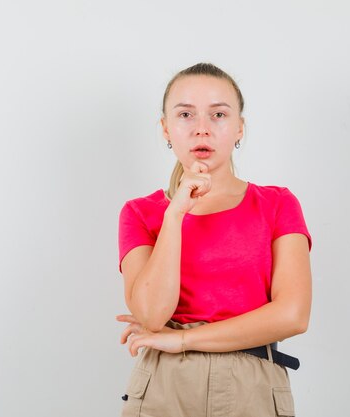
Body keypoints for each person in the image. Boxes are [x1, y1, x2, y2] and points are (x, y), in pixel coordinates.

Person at [115, 62, 312, 417]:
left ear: (239, 128)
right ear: (165, 129)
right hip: (165, 384)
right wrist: (175, 214)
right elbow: (152, 314)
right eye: (186, 114)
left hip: (251, 383)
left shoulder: (278, 204)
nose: (202, 129)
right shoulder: (141, 213)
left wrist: (184, 339)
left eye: (218, 114)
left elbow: (293, 315)